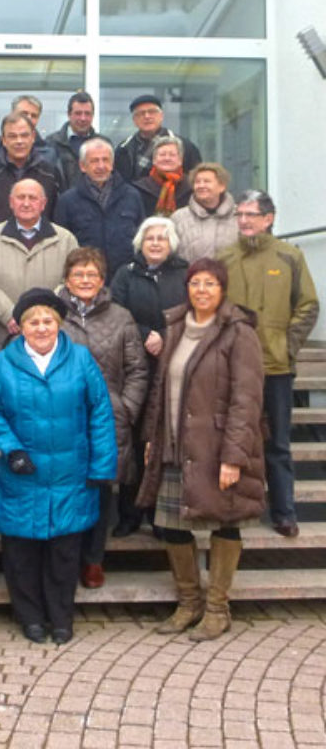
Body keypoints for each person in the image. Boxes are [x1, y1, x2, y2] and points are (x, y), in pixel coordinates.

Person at [0, 288, 117, 644]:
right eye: (33, 322)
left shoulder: (81, 360)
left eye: (48, 321)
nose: (41, 328)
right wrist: (11, 449)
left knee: (64, 553)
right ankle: (30, 618)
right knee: (21, 552)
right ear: (20, 327)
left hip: (70, 475)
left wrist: (102, 466)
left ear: (59, 324)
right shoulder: (4, 363)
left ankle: (61, 618)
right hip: (21, 472)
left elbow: (100, 412)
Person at [136, 258, 266, 641]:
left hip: (218, 446)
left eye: (210, 284)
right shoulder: (175, 326)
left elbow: (247, 400)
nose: (202, 291)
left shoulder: (238, 332)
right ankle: (188, 603)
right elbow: (160, 391)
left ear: (222, 289)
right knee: (173, 526)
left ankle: (217, 608)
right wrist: (151, 440)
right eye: (196, 284)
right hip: (176, 444)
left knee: (226, 522)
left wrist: (234, 457)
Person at [220, 191, 320, 537]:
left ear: (269, 218)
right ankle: (234, 510)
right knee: (234, 441)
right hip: (234, 368)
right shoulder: (225, 257)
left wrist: (286, 345)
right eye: (239, 214)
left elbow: (308, 305)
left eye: (251, 214)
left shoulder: (289, 256)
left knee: (277, 443)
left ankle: (284, 512)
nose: (244, 220)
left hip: (276, 367)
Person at [56, 248, 148, 589]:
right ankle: (67, 561)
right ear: (67, 278)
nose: (84, 281)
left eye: (91, 275)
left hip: (107, 418)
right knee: (67, 489)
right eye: (78, 274)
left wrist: (125, 409)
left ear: (102, 279)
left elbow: (137, 369)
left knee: (100, 490)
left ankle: (94, 559)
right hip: (62, 418)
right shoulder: (53, 314)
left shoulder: (121, 317)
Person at [109, 216, 189, 536]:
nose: (155, 243)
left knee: (160, 442)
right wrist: (145, 334)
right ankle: (129, 515)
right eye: (150, 237)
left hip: (173, 367)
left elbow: (193, 311)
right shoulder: (125, 274)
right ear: (140, 242)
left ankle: (159, 516)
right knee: (133, 439)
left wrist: (164, 335)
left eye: (162, 238)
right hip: (134, 366)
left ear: (171, 244)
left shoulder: (185, 273)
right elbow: (116, 311)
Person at [0, 179, 78, 352]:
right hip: (6, 332)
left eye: (32, 198)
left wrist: (44, 314)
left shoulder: (66, 240)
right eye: (21, 198)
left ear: (43, 203)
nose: (26, 203)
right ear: (11, 202)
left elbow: (72, 281)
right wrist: (9, 314)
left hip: (53, 330)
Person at [56, 137, 145, 282]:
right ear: (82, 166)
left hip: (125, 280)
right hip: (85, 280)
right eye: (94, 161)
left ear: (112, 163)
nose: (101, 166)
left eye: (105, 160)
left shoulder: (132, 196)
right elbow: (62, 246)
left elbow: (141, 240)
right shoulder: (68, 201)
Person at [0, 111, 65, 227]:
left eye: (24, 135)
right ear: (4, 140)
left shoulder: (50, 173)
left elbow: (60, 214)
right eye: (12, 136)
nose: (19, 141)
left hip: (43, 243)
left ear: (33, 137)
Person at [114, 94, 202, 182]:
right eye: (141, 113)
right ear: (134, 120)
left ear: (161, 116)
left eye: (152, 112)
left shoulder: (185, 146)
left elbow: (196, 179)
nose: (147, 116)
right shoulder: (123, 149)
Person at [171, 162, 238, 263]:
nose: (201, 186)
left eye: (207, 181)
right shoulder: (179, 218)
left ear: (222, 186)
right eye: (197, 182)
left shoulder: (239, 216)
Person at [0, 95, 58, 173]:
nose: (29, 118)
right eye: (24, 114)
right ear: (12, 114)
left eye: (34, 116)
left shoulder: (48, 152)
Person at [46, 91, 105, 187]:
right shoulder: (52, 143)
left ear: (93, 116)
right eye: (78, 113)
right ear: (69, 114)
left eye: (87, 114)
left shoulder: (103, 144)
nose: (83, 118)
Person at [132, 136, 193, 217]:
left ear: (180, 161)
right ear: (154, 160)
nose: (167, 158)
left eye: (172, 155)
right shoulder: (139, 189)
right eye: (162, 154)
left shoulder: (192, 186)